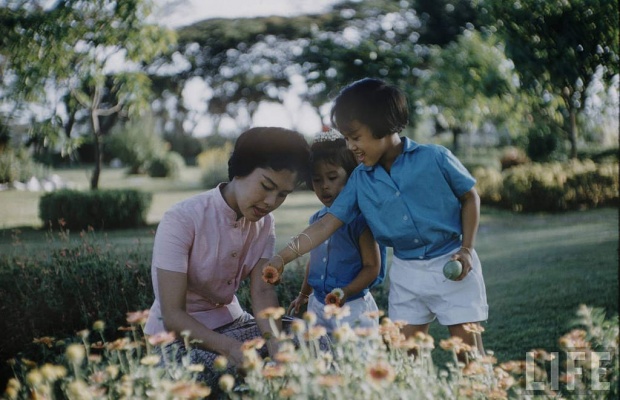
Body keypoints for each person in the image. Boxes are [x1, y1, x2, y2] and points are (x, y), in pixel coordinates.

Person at [263, 78, 488, 358]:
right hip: (407, 274)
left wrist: (466, 249)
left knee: (469, 356)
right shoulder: (359, 180)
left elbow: (470, 197)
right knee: (407, 358)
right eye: (346, 138)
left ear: (383, 124)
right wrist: (281, 258)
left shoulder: (435, 158)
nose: (350, 146)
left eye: (355, 137)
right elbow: (325, 225)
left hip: (452, 262)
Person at [144, 127, 313, 385]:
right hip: (176, 339)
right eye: (266, 186)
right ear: (240, 170)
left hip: (235, 323)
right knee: (223, 371)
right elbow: (172, 315)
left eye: (282, 194)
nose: (270, 202)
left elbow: (263, 293)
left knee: (316, 340)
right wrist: (232, 349)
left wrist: (275, 343)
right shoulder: (181, 219)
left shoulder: (265, 224)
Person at [287, 128, 387, 333]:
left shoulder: (360, 220)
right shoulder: (316, 219)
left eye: (332, 177)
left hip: (352, 307)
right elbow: (313, 262)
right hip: (318, 305)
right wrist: (304, 295)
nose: (324, 186)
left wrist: (346, 291)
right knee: (319, 356)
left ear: (351, 176)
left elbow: (372, 267)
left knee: (354, 358)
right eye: (317, 180)